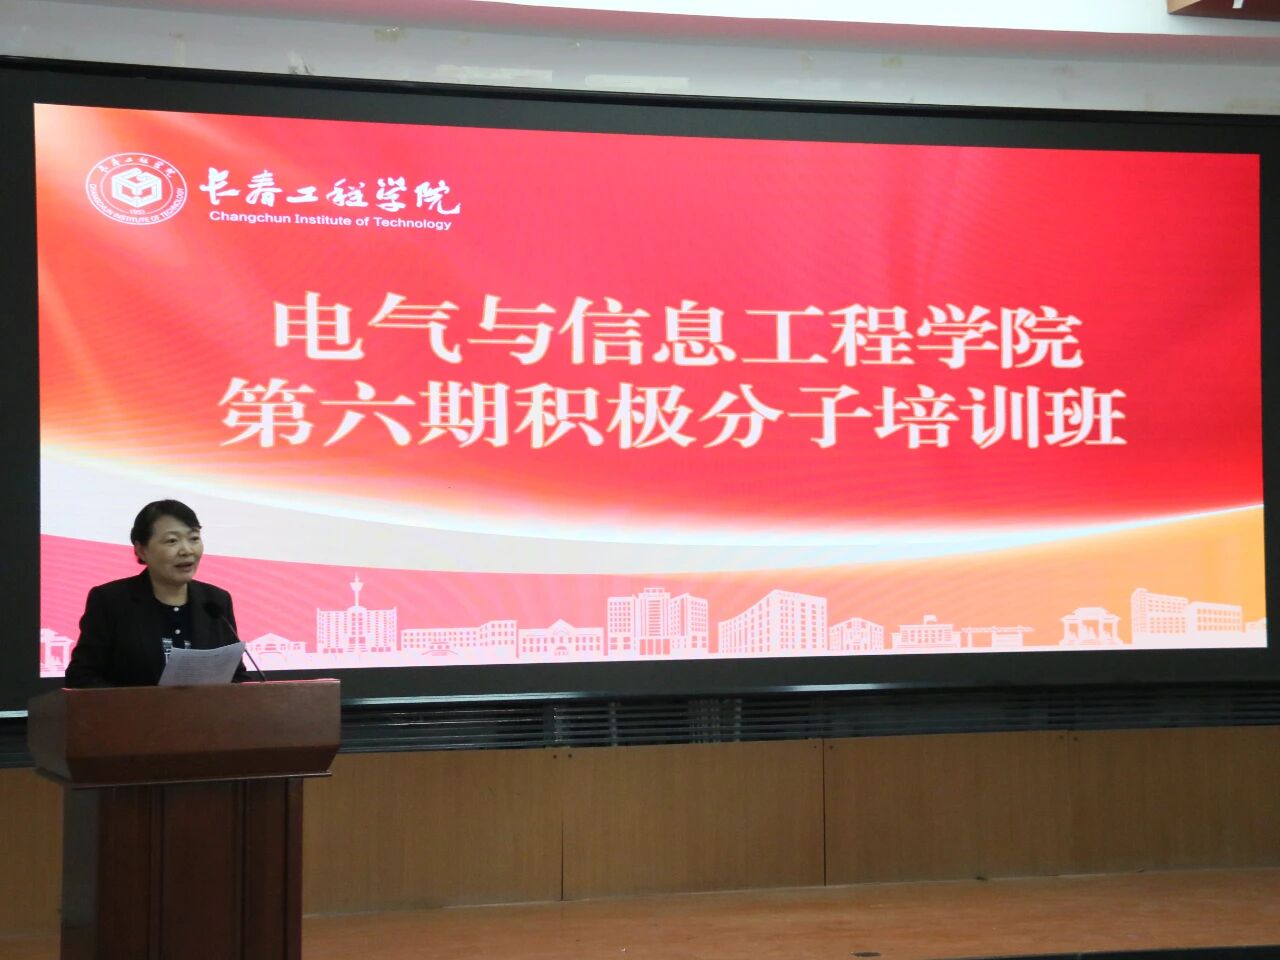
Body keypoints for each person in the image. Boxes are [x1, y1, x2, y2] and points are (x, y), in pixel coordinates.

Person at [64, 500, 248, 687]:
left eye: (193, 538)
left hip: (205, 707)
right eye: (172, 541)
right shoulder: (111, 601)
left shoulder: (216, 601)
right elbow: (81, 677)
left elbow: (237, 676)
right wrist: (138, 702)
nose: (187, 550)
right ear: (141, 550)